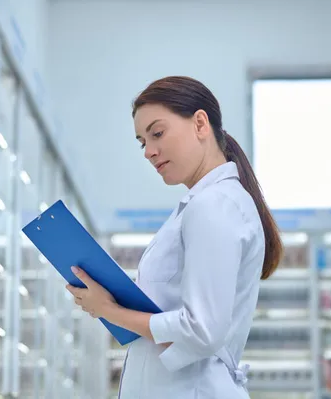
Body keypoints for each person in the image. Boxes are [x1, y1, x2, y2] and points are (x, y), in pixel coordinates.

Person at [66, 76, 283, 398]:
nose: (148, 152)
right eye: (142, 142)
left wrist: (108, 310)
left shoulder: (214, 204)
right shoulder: (204, 204)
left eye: (157, 133)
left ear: (199, 123)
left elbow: (202, 331)